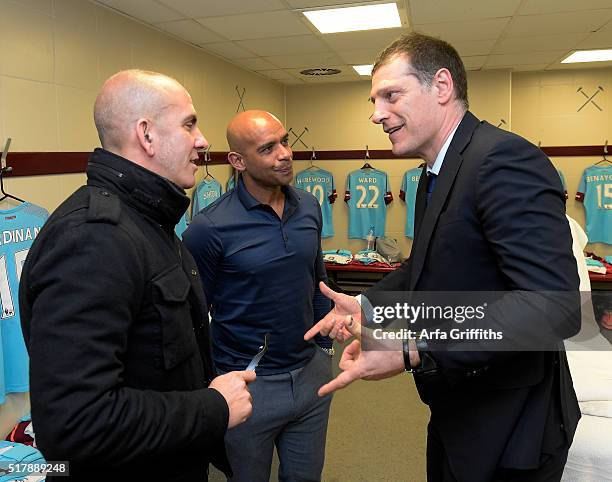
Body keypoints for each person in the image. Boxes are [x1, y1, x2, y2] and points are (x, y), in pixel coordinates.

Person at [306, 33, 582, 481]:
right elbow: (428, 263)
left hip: (512, 425)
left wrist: (414, 348)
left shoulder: (502, 160)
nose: (376, 114)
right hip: (460, 406)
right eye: (374, 100)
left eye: (391, 95)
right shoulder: (434, 171)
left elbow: (552, 307)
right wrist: (369, 305)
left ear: (441, 86)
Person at [19, 70, 255, 481]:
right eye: (189, 124)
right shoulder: (94, 238)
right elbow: (75, 423)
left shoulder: (147, 221)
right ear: (146, 135)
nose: (202, 140)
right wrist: (213, 408)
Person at [183, 110, 334, 482]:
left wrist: (325, 346)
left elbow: (316, 279)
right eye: (268, 148)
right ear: (238, 161)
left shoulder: (309, 206)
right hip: (250, 385)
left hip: (311, 375)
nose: (284, 153)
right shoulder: (210, 228)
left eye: (285, 141)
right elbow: (194, 317)